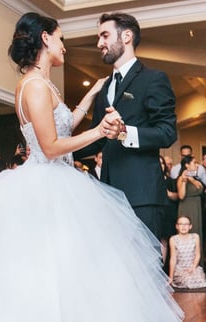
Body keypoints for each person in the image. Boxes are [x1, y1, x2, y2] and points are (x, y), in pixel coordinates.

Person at [0, 13, 183, 321]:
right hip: (51, 182)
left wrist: (92, 100)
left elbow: (72, 129)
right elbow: (52, 145)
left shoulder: (135, 81)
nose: (68, 45)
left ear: (127, 36)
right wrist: (102, 130)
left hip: (122, 188)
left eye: (104, 35)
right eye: (62, 38)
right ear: (45, 39)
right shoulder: (35, 86)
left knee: (92, 269)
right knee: (52, 267)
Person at [75, 12, 178, 240]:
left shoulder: (153, 79)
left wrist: (125, 132)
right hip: (109, 193)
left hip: (142, 194)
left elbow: (167, 132)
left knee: (145, 270)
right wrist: (59, 149)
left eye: (104, 35)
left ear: (127, 36)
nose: (99, 43)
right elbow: (97, 137)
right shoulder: (104, 88)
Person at [168, 216, 206, 289]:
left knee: (200, 280)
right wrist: (170, 277)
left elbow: (197, 254)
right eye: (181, 224)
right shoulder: (173, 239)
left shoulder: (195, 237)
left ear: (190, 226)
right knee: (188, 280)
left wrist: (193, 267)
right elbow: (173, 259)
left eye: (186, 224)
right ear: (177, 226)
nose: (184, 226)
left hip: (192, 267)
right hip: (180, 269)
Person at [177, 155, 204, 245]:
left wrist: (190, 178)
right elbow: (181, 195)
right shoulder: (181, 178)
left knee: (197, 232)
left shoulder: (195, 178)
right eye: (195, 163)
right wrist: (185, 179)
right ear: (187, 165)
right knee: (188, 232)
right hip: (187, 207)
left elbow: (199, 186)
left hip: (197, 208)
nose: (197, 165)